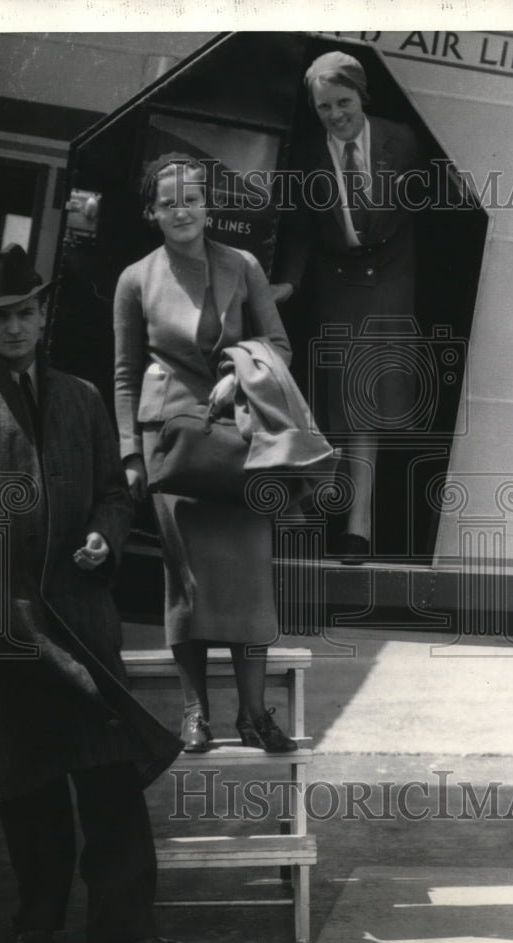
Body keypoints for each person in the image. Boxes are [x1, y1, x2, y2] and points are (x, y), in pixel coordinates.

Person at [0, 244, 192, 943]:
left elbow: (114, 490)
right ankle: (36, 921)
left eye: (24, 312)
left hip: (82, 616)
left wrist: (106, 536)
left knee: (109, 774)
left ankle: (124, 927)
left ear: (43, 316)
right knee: (30, 778)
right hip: (4, 626)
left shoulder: (82, 398)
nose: (14, 327)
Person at [114, 153, 298, 755]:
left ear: (208, 206)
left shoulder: (240, 265)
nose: (182, 209)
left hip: (237, 433)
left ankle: (253, 714)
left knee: (248, 575)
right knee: (186, 581)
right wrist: (129, 455)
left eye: (191, 197)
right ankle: (196, 714)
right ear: (151, 213)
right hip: (170, 441)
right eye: (168, 201)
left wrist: (240, 375)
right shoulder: (136, 278)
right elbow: (123, 373)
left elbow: (278, 343)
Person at [273, 50, 424, 563]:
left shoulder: (403, 141)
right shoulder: (307, 155)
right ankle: (316, 507)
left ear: (362, 95)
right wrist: (288, 285)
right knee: (336, 402)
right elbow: (298, 231)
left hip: (389, 279)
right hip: (336, 282)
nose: (335, 115)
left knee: (367, 405)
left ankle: (356, 528)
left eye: (343, 102)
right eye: (323, 108)